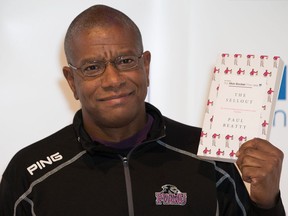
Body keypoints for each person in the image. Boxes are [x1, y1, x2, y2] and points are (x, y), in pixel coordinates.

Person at [0, 4, 285, 216]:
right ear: (71, 80)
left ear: (145, 67)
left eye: (125, 60)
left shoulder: (211, 161)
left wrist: (267, 204)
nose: (112, 80)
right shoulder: (29, 175)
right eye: (92, 67)